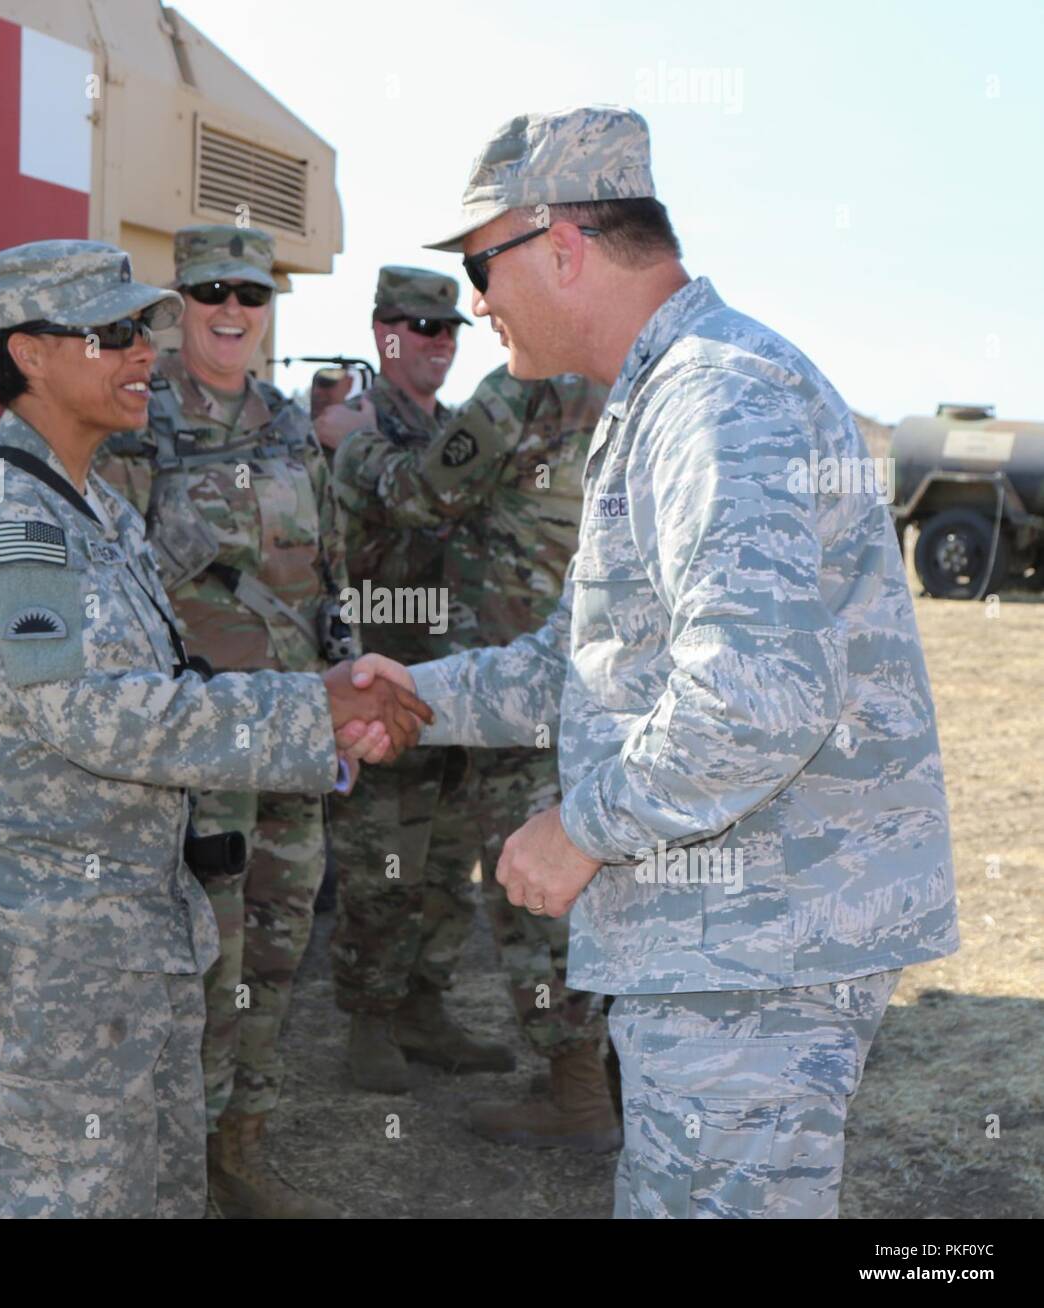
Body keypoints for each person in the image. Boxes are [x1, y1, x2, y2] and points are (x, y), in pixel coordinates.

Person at [352, 106, 959, 1218]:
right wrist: (415, 697)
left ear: (563, 246)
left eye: (481, 266)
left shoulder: (717, 398)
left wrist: (578, 827)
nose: (475, 303)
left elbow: (757, 695)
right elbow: (588, 666)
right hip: (727, 942)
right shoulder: (666, 398)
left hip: (756, 950)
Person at [0, 238, 428, 1219]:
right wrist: (315, 711)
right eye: (110, 333)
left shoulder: (88, 505)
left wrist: (324, 689)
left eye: (143, 327)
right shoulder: (10, 517)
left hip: (125, 937)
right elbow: (102, 717)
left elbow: (166, 673)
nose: (144, 350)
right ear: (30, 353)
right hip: (43, 963)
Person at [95, 223, 357, 1219]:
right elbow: (111, 584)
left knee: (279, 955)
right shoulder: (137, 421)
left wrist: (338, 699)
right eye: (214, 294)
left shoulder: (290, 425)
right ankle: (177, 1157)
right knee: (205, 959)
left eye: (251, 294)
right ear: (182, 303)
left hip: (293, 733)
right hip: (199, 748)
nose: (234, 313)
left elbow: (323, 575)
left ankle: (241, 1142)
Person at [333, 363, 621, 1151]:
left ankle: (580, 1095)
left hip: (517, 673)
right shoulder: (645, 378)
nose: (479, 311)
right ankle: (612, 1080)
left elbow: (422, 494)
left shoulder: (528, 383)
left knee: (531, 883)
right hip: (602, 672)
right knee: (605, 871)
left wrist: (350, 446)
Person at [318, 267, 514, 1092]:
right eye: (417, 327)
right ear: (381, 333)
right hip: (387, 675)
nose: (436, 342)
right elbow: (415, 505)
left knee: (447, 862)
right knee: (383, 863)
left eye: (448, 330)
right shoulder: (357, 430)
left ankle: (424, 1007)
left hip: (457, 676)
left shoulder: (458, 428)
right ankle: (370, 1021)